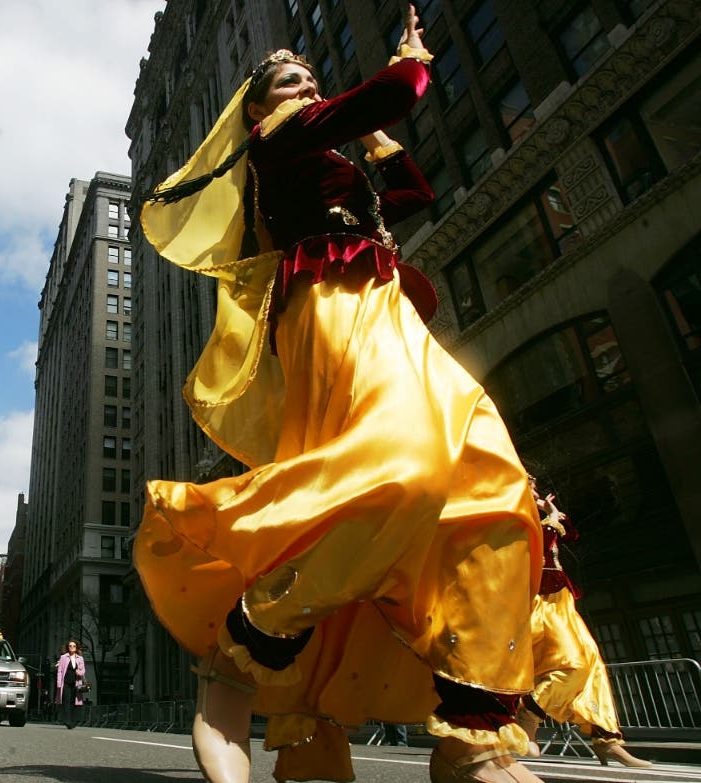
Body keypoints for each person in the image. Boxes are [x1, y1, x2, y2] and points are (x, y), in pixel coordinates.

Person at [134, 7, 545, 783]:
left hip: (389, 309)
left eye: (310, 79)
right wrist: (410, 63)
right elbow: (392, 92)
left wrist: (378, 144)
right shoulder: (275, 138)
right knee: (406, 465)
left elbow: (410, 192)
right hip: (328, 307)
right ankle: (261, 623)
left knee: (493, 481)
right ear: (259, 109)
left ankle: (470, 735)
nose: (306, 85)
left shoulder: (321, 149)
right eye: (290, 81)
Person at [517, 479, 653, 769]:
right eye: (529, 486)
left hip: (562, 599)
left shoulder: (541, 518)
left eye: (536, 488)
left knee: (593, 666)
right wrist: (550, 521)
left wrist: (552, 513)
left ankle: (607, 740)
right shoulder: (512, 515)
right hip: (538, 601)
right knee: (573, 663)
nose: (536, 492)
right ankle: (528, 714)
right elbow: (534, 543)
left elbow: (572, 535)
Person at [56, 640, 86, 730]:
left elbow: (83, 671)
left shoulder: (80, 658)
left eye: (73, 646)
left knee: (74, 702)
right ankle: (67, 721)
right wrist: (59, 683)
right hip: (66, 682)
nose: (72, 647)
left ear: (76, 647)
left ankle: (73, 721)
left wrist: (79, 672)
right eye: (70, 646)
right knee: (67, 701)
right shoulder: (63, 657)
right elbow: (60, 671)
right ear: (67, 647)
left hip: (76, 683)